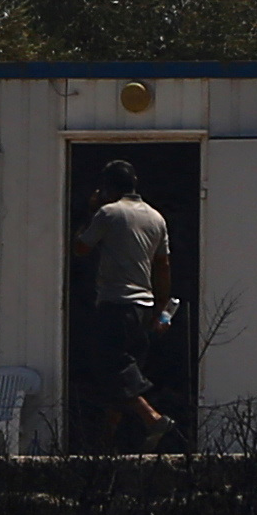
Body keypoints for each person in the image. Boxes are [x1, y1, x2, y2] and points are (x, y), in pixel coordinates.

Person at [75, 161, 174, 449]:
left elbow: (81, 247)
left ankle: (152, 417)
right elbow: (163, 266)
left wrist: (90, 210)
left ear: (106, 187)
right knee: (123, 373)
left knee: (110, 367)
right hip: (144, 306)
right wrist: (163, 313)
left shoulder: (108, 213)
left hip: (115, 303)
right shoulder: (156, 218)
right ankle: (107, 440)